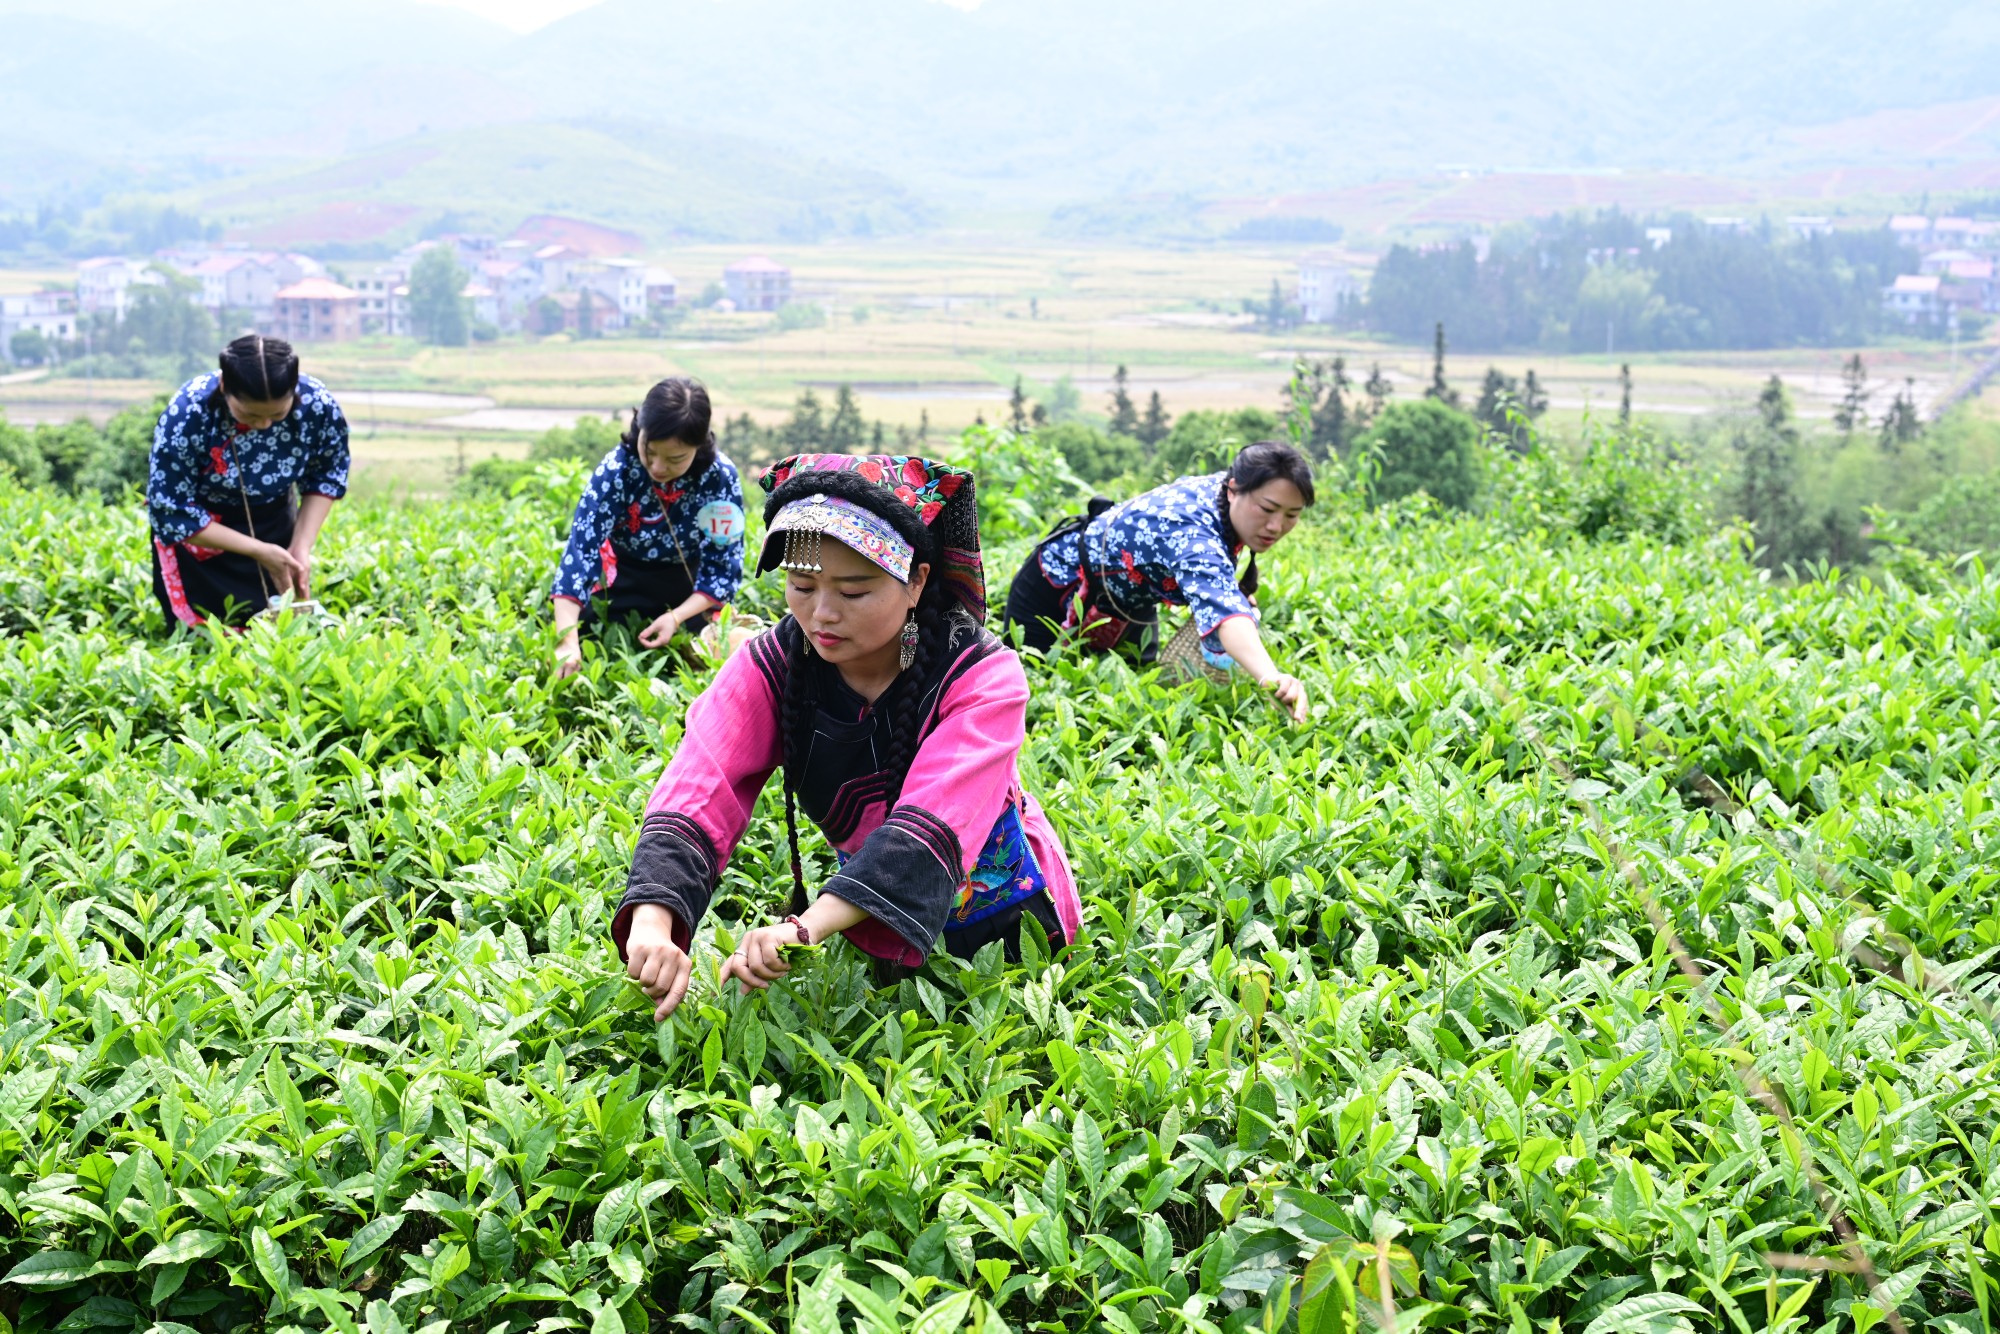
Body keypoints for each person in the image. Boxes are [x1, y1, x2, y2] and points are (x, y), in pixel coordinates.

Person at [613, 453, 1083, 1020]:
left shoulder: (984, 677)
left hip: (1010, 924)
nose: (822, 614)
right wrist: (654, 921)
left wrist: (805, 928)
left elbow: (931, 824)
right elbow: (700, 783)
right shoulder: (772, 665)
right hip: (865, 919)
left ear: (917, 583)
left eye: (854, 591)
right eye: (801, 585)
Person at [1002, 440, 1315, 724]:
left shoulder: (1231, 493)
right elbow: (1225, 615)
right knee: (1027, 696)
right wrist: (1271, 677)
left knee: (1128, 706)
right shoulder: (1191, 531)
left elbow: (1220, 591)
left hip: (1127, 602)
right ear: (1233, 489)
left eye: (1292, 514)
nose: (1276, 526)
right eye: (1268, 509)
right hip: (1055, 587)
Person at [148, 335, 349, 629]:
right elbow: (170, 509)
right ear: (224, 388)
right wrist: (258, 551)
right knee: (204, 636)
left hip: (274, 522)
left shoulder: (317, 404)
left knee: (277, 630)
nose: (264, 425)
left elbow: (327, 474)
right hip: (203, 534)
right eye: (250, 414)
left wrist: (300, 547)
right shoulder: (189, 411)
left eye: (278, 414)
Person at [551, 377, 746, 678]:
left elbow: (722, 568)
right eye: (649, 450)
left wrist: (676, 617)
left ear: (698, 446)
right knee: (590, 638)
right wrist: (567, 642)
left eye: (674, 459)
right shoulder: (617, 470)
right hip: (622, 580)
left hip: (687, 589)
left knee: (709, 655)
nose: (656, 468)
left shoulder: (719, 477)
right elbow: (580, 553)